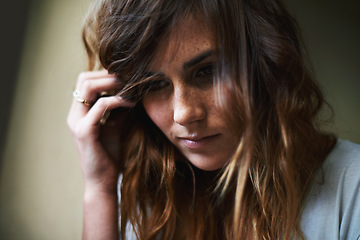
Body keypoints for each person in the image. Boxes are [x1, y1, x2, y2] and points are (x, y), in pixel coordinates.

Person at [67, 0, 360, 239]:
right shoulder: (142, 189)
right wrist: (99, 189)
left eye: (207, 71)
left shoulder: (352, 189)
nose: (184, 114)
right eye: (154, 85)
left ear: (265, 62)